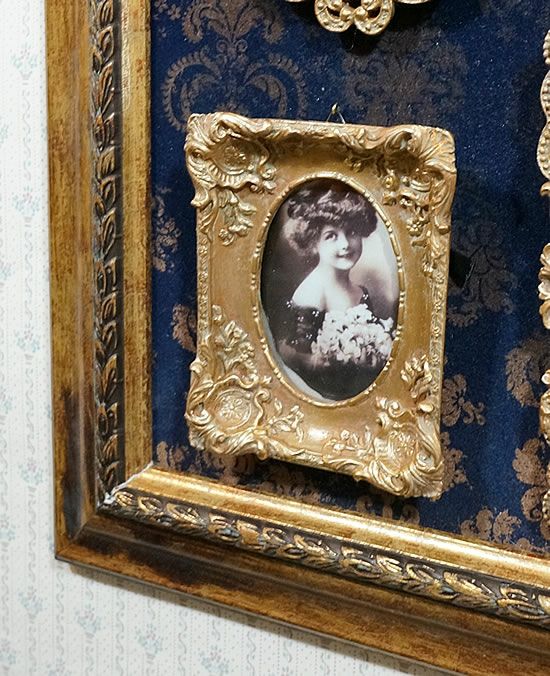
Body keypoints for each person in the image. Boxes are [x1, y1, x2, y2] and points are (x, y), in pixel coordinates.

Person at [274, 180, 395, 401]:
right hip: (323, 396)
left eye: (351, 232)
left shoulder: (360, 292)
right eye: (331, 236)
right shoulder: (312, 293)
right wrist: (318, 362)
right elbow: (292, 354)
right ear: (313, 242)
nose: (345, 244)